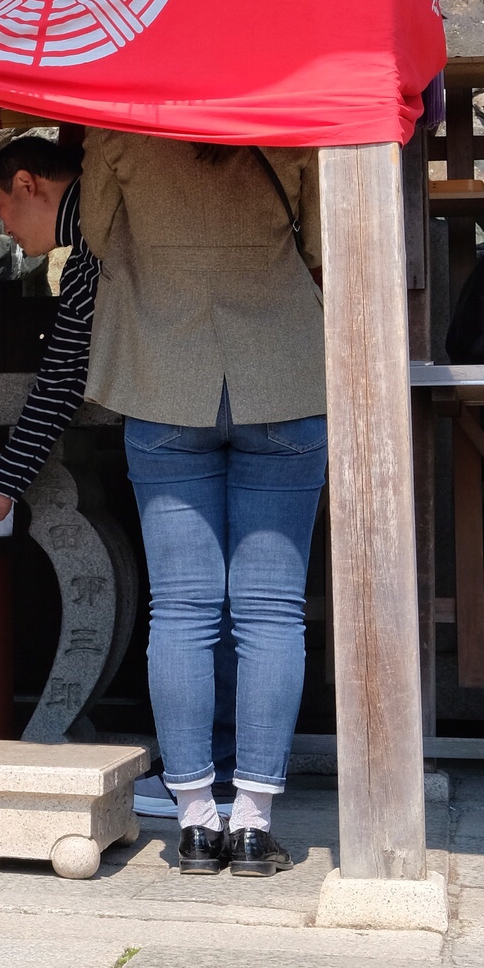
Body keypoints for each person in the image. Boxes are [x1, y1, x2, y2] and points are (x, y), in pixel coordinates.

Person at [78, 132, 326, 877]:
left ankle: (192, 822)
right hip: (280, 370)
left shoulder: (117, 126)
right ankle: (252, 824)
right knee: (272, 611)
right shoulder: (287, 117)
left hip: (164, 371)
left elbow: (92, 231)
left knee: (181, 609)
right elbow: (321, 233)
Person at [0, 133, 97, 537]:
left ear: (26, 184)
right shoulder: (84, 256)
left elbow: (61, 378)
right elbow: (63, 378)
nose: (4, 228)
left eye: (0, 209)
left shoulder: (98, 244)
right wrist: (5, 483)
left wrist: (3, 484)